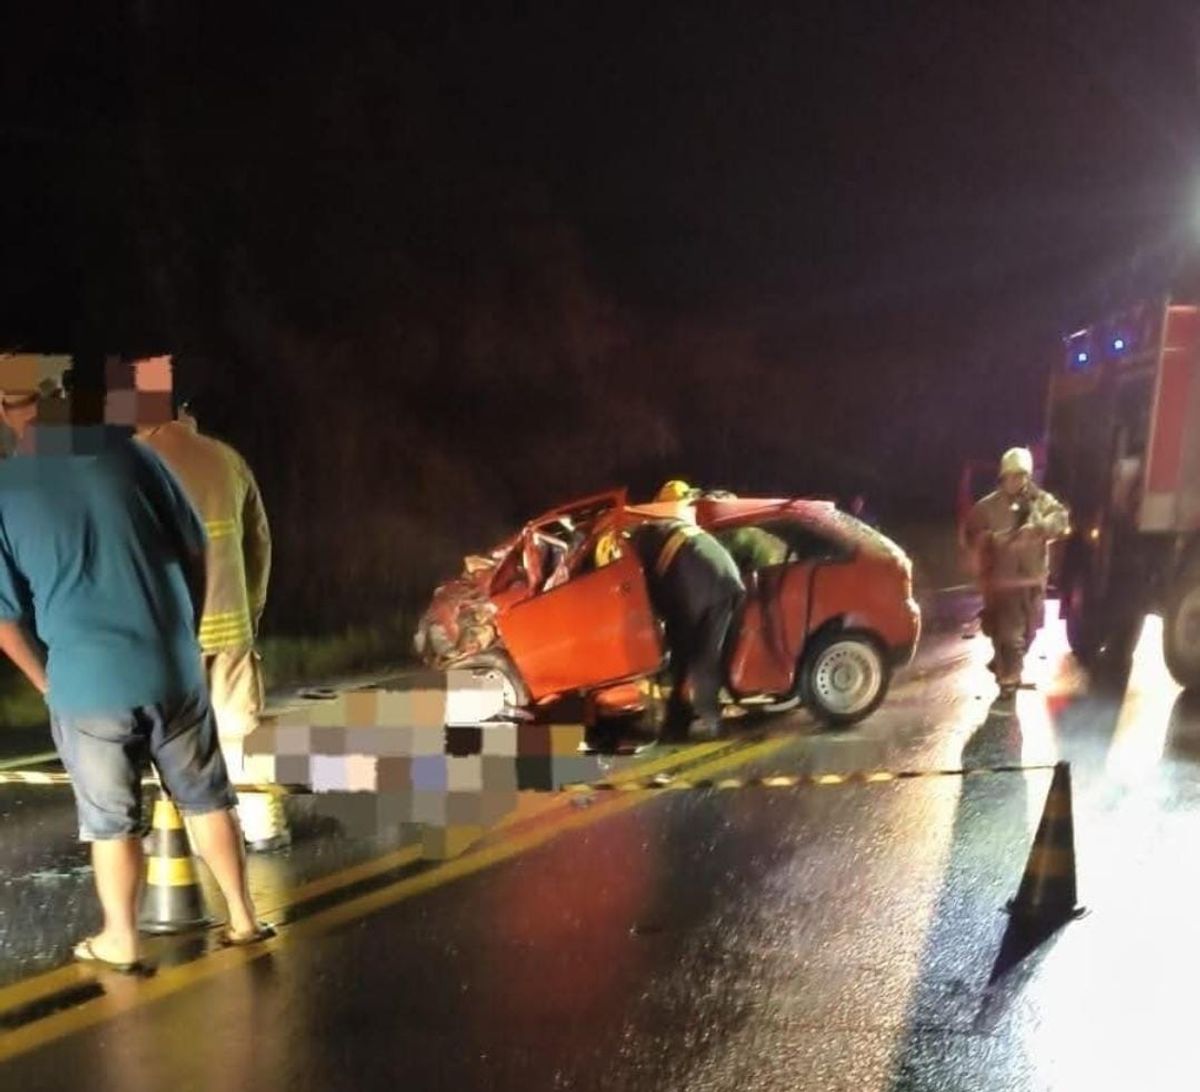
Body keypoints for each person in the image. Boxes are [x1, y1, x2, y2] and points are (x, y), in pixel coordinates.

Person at [0, 371, 272, 971]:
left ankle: (121, 939)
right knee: (208, 799)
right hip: (173, 668)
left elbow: (5, 619)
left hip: (86, 685)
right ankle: (244, 919)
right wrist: (185, 631)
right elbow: (199, 550)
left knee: (110, 821)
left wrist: (49, 684)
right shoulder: (127, 453)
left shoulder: (4, 488)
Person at [137, 393, 284, 851]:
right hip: (231, 625)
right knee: (239, 731)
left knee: (179, 737)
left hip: (169, 632)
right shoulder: (227, 459)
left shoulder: (136, 465)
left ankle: (196, 838)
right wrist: (249, 611)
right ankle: (263, 829)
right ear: (183, 415)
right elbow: (259, 543)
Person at [963, 447, 1070, 698]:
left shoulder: (1040, 501)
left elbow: (1061, 519)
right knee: (1009, 635)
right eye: (1012, 476)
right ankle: (1008, 679)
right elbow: (971, 534)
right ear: (1003, 477)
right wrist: (991, 540)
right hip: (1003, 582)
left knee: (1029, 632)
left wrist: (1039, 528)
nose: (1017, 481)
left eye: (1022, 476)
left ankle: (1006, 665)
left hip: (1032, 581)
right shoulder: (987, 507)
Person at [627, 518, 745, 740]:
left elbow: (654, 595)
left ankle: (711, 722)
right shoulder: (657, 530)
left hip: (705, 587)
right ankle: (690, 717)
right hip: (722, 576)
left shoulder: (641, 549)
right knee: (701, 654)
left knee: (702, 657)